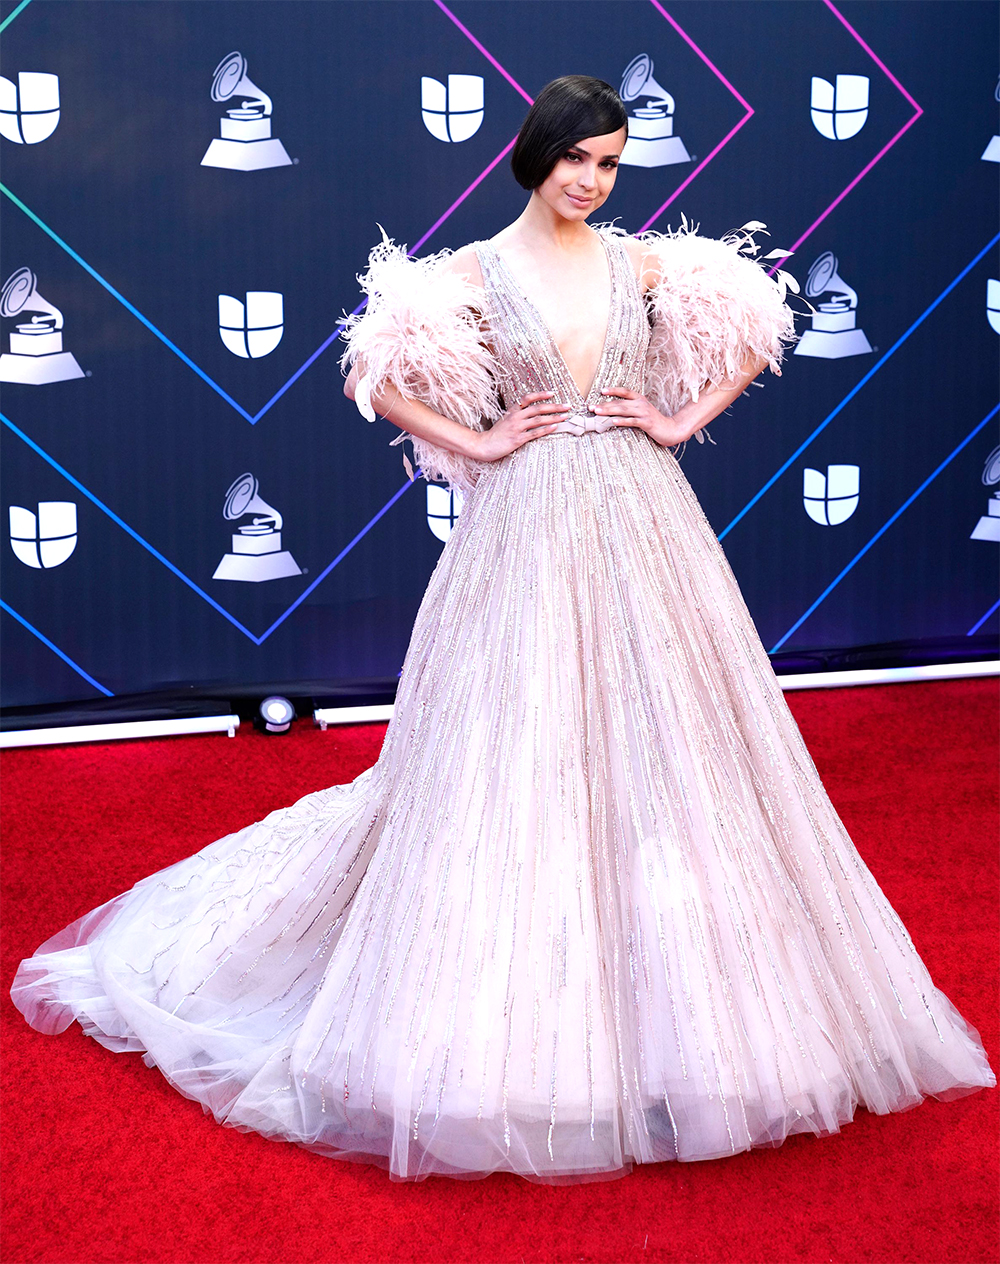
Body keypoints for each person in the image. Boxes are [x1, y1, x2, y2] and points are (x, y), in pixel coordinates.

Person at [11, 76, 994, 1186]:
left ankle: (686, 1019)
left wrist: (676, 418)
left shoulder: (644, 262)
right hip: (519, 529)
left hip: (643, 518)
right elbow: (371, 371)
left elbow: (758, 329)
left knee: (677, 754)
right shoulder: (470, 274)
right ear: (534, 154)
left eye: (612, 162)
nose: (593, 179)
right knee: (514, 753)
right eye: (577, 157)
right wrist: (475, 446)